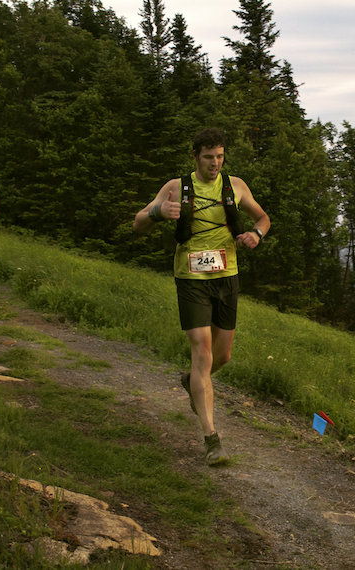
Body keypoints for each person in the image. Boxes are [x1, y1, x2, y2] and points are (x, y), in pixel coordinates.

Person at [133, 127, 270, 466]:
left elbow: (263, 218)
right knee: (203, 353)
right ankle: (211, 438)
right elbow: (137, 223)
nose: (215, 163)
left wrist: (256, 234)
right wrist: (157, 214)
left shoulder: (235, 186)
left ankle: (191, 382)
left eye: (220, 157)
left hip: (227, 277)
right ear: (195, 156)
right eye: (208, 157)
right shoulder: (176, 188)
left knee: (221, 357)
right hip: (191, 278)